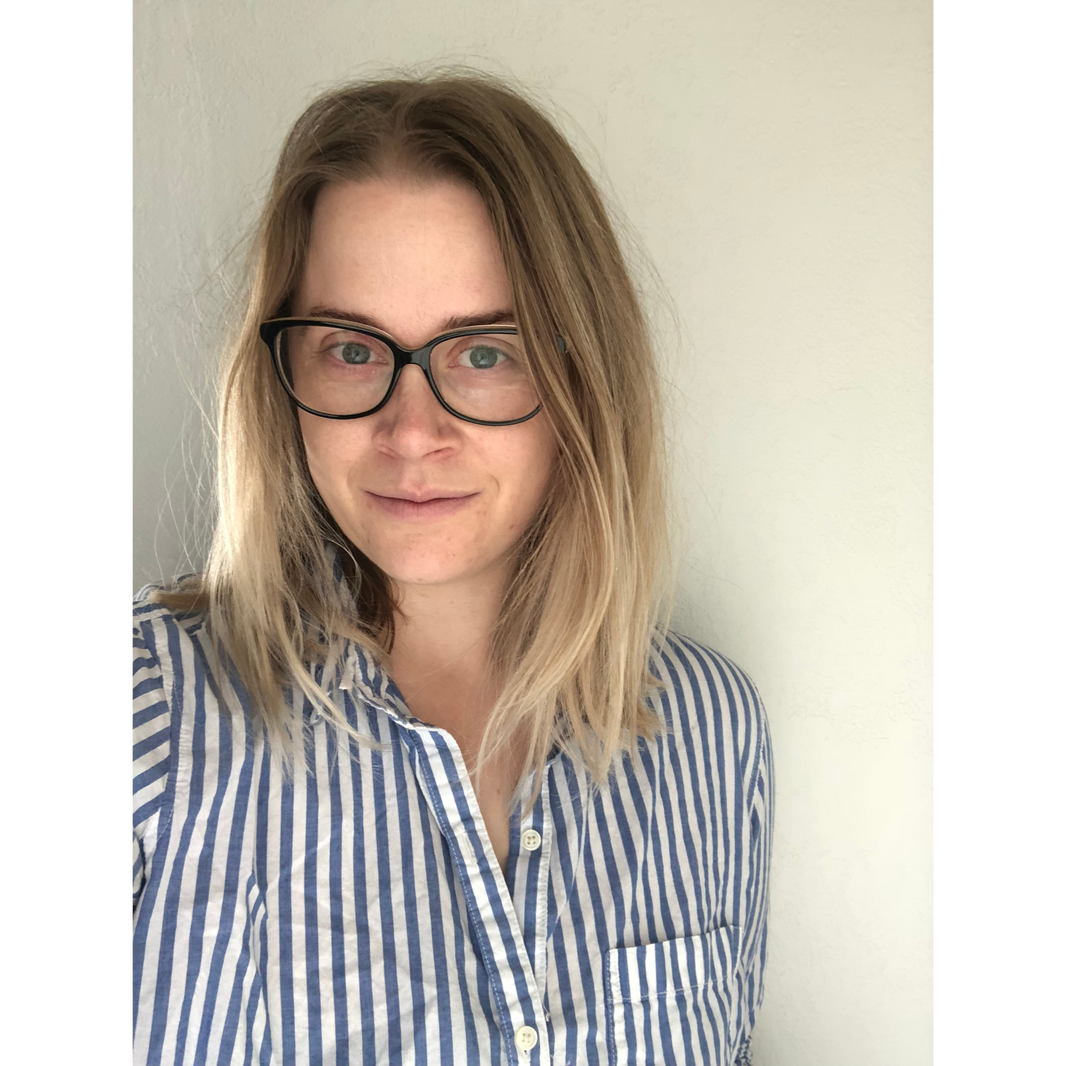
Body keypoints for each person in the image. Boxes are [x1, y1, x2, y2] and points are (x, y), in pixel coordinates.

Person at [130, 72, 772, 1066]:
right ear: (281, 381)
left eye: (483, 353)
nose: (411, 430)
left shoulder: (711, 730)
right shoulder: (154, 717)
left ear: (583, 380)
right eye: (352, 349)